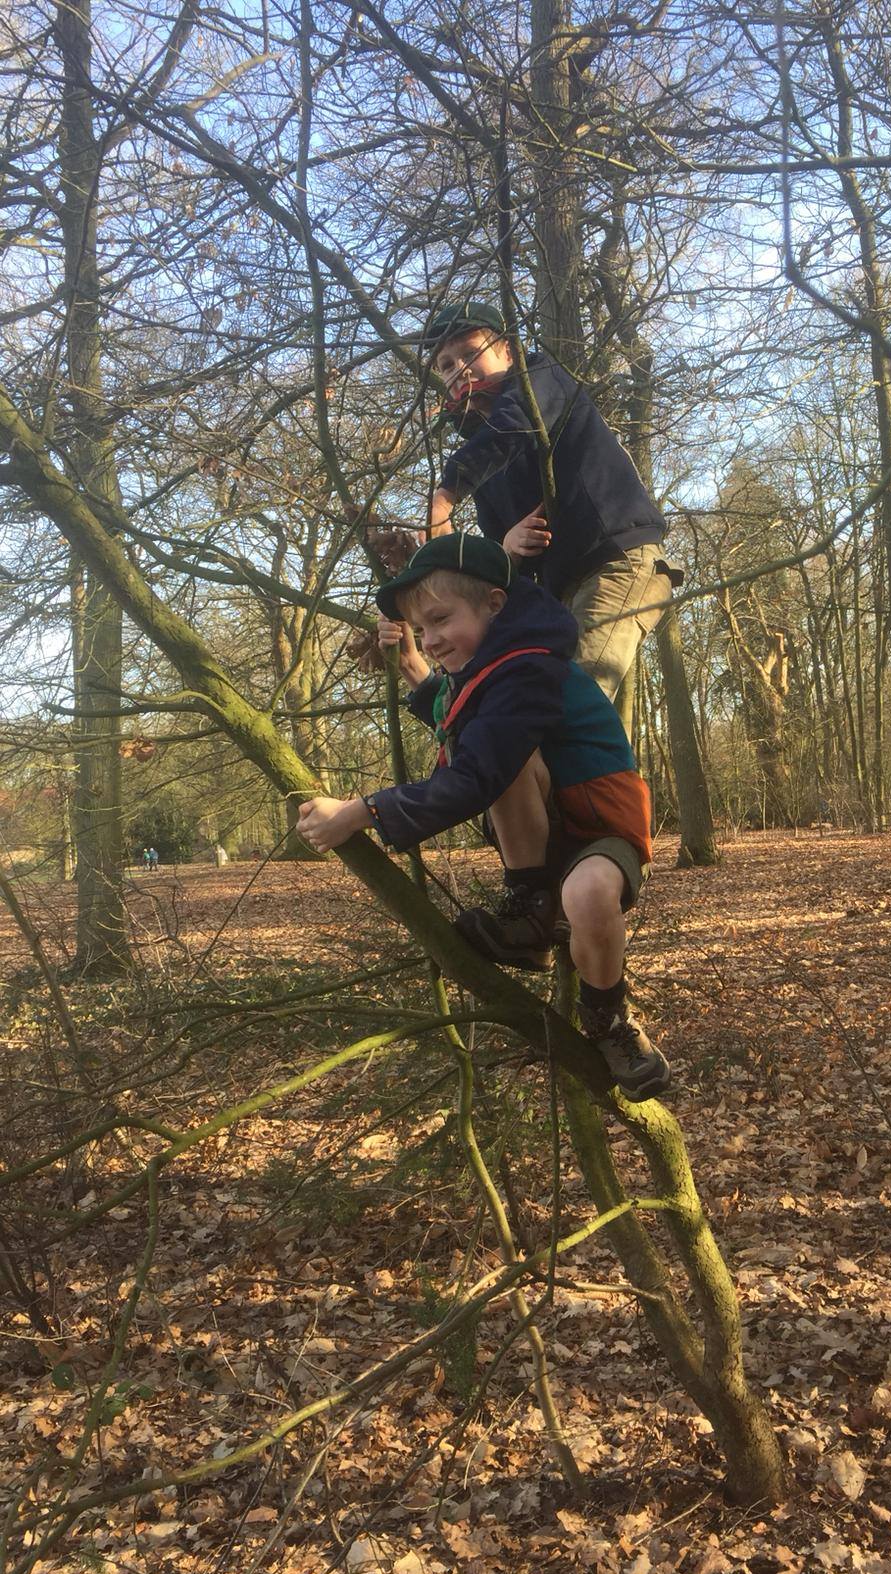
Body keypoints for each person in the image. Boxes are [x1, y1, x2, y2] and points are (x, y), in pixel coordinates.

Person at [297, 533, 670, 1102]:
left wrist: (360, 812)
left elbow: (475, 773)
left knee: (590, 892)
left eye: (441, 620)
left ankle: (610, 1021)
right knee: (498, 761)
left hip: (598, 823)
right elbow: (461, 710)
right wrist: (411, 666)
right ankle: (531, 912)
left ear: (495, 604)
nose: (433, 638)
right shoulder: (489, 670)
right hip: (548, 828)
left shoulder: (526, 670)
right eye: (423, 629)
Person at [371, 300, 676, 703]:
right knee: (576, 730)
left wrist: (445, 495)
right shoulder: (482, 451)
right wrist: (506, 549)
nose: (459, 368)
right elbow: (502, 574)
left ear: (508, 351)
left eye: (470, 353)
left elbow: (515, 427)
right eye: (446, 365)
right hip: (562, 591)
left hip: (617, 561)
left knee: (568, 703)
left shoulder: (538, 382)